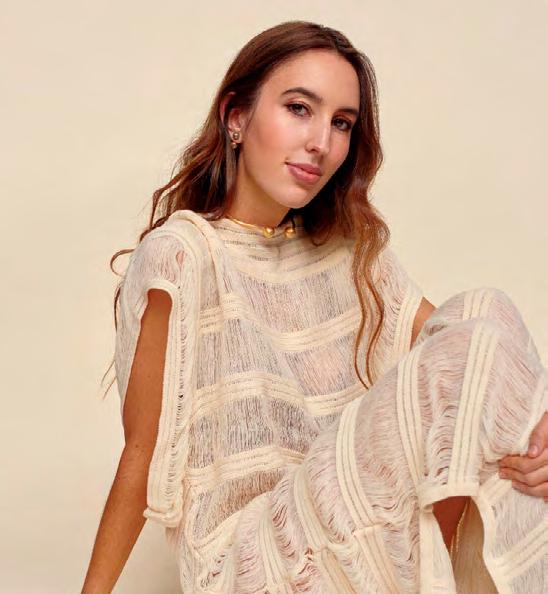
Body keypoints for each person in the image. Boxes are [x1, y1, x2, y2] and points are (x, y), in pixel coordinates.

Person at [82, 21, 548, 594]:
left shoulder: (348, 254)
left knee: (486, 312)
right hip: (253, 564)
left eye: (341, 123)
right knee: (479, 339)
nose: (321, 143)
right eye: (299, 109)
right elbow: (141, 450)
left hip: (351, 532)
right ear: (236, 117)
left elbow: (471, 354)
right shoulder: (185, 254)